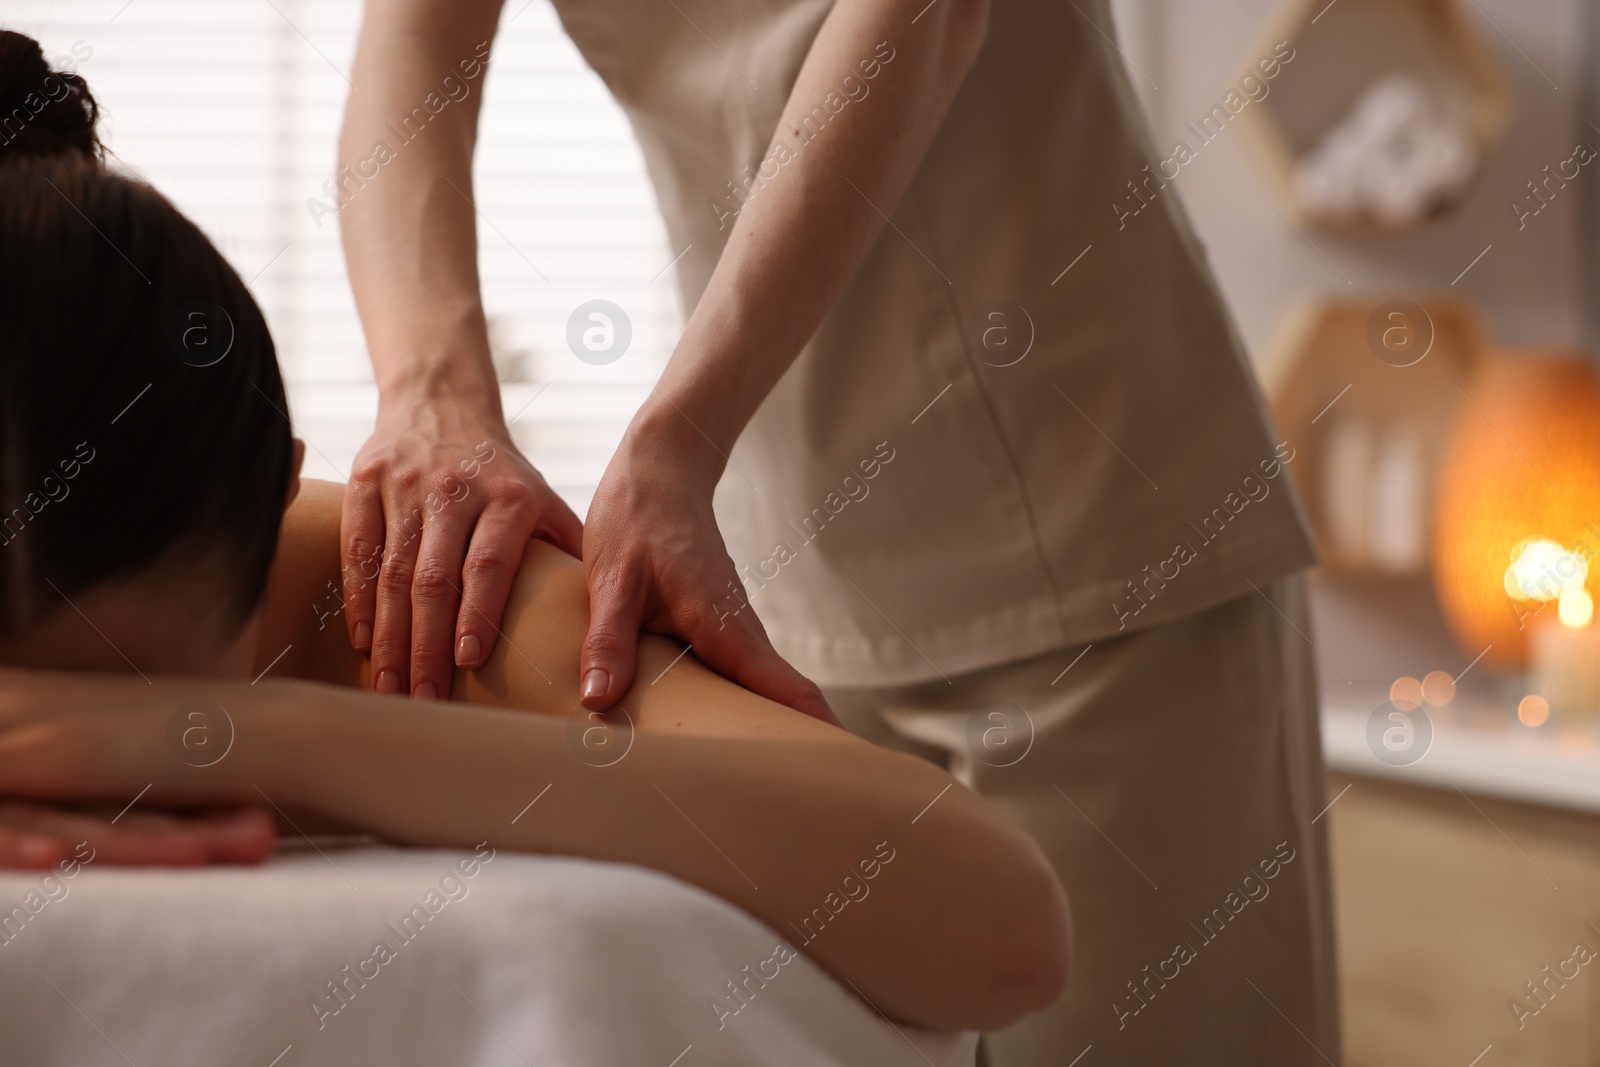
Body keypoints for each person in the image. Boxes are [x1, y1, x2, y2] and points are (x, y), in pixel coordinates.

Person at [0, 29, 1070, 1033]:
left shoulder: (426, 608)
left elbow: (1001, 921)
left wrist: (255, 734)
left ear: (271, 495)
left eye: (100, 721)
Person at [335, 0, 1341, 1062]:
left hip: (1100, 547)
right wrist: (430, 396)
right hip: (768, 593)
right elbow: (414, 34)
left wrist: (677, 438)